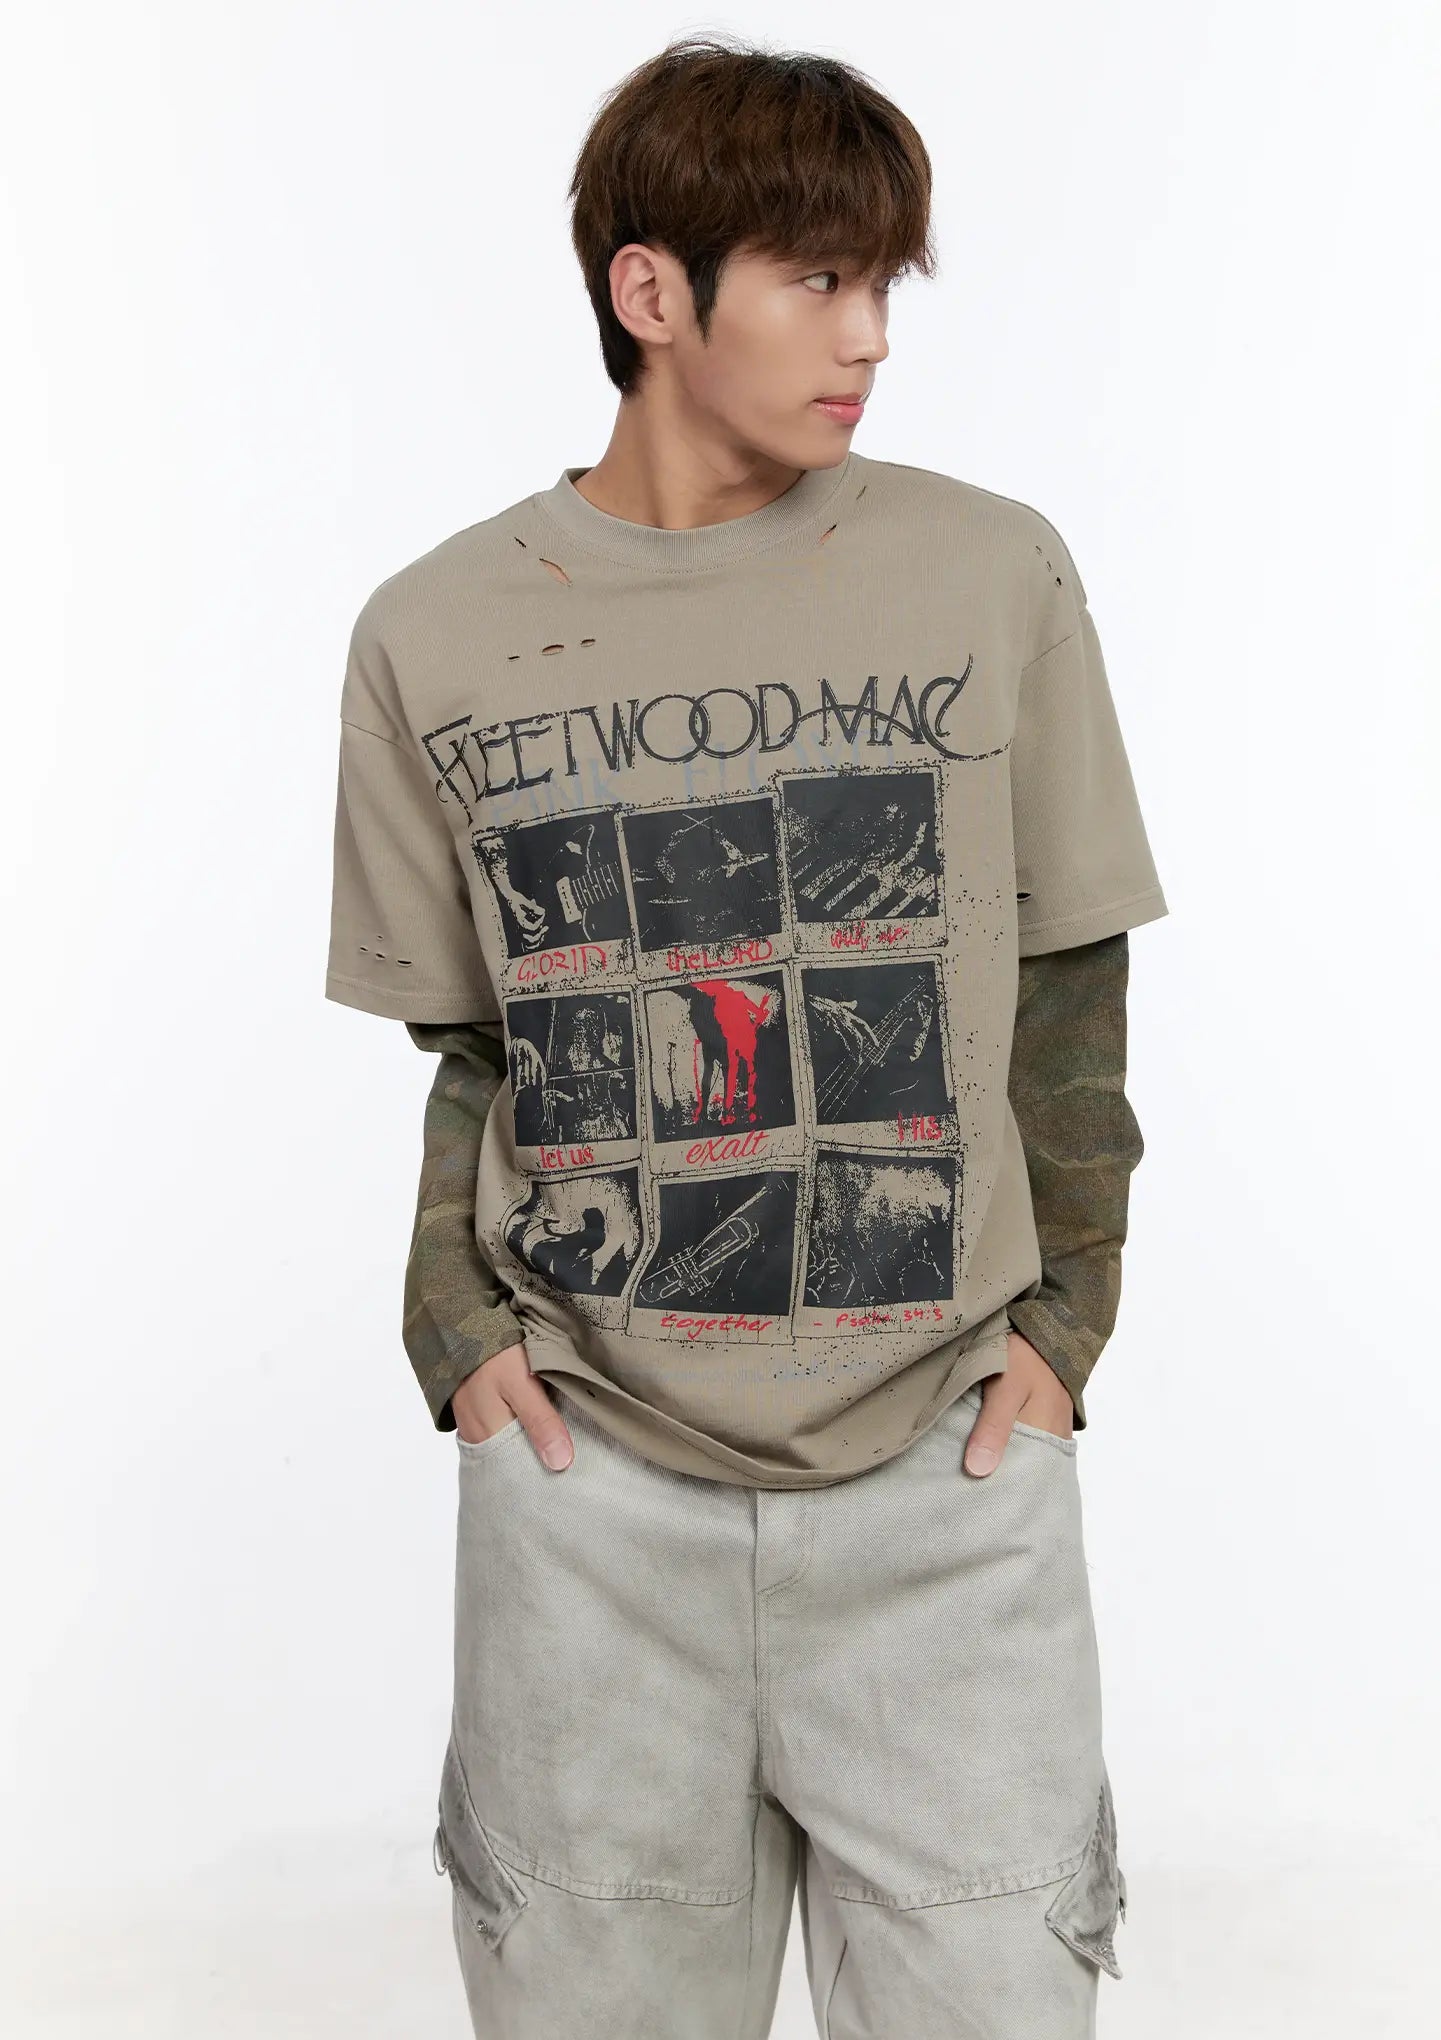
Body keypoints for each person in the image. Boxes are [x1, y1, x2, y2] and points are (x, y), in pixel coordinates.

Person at [323, 35, 1168, 2039]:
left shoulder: (991, 574)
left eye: (883, 283)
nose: (868, 335)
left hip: (946, 1478)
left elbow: (1070, 996)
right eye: (816, 277)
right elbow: (478, 1047)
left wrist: (1065, 1337)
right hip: (590, 1505)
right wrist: (461, 1337)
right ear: (651, 290)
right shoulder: (435, 631)